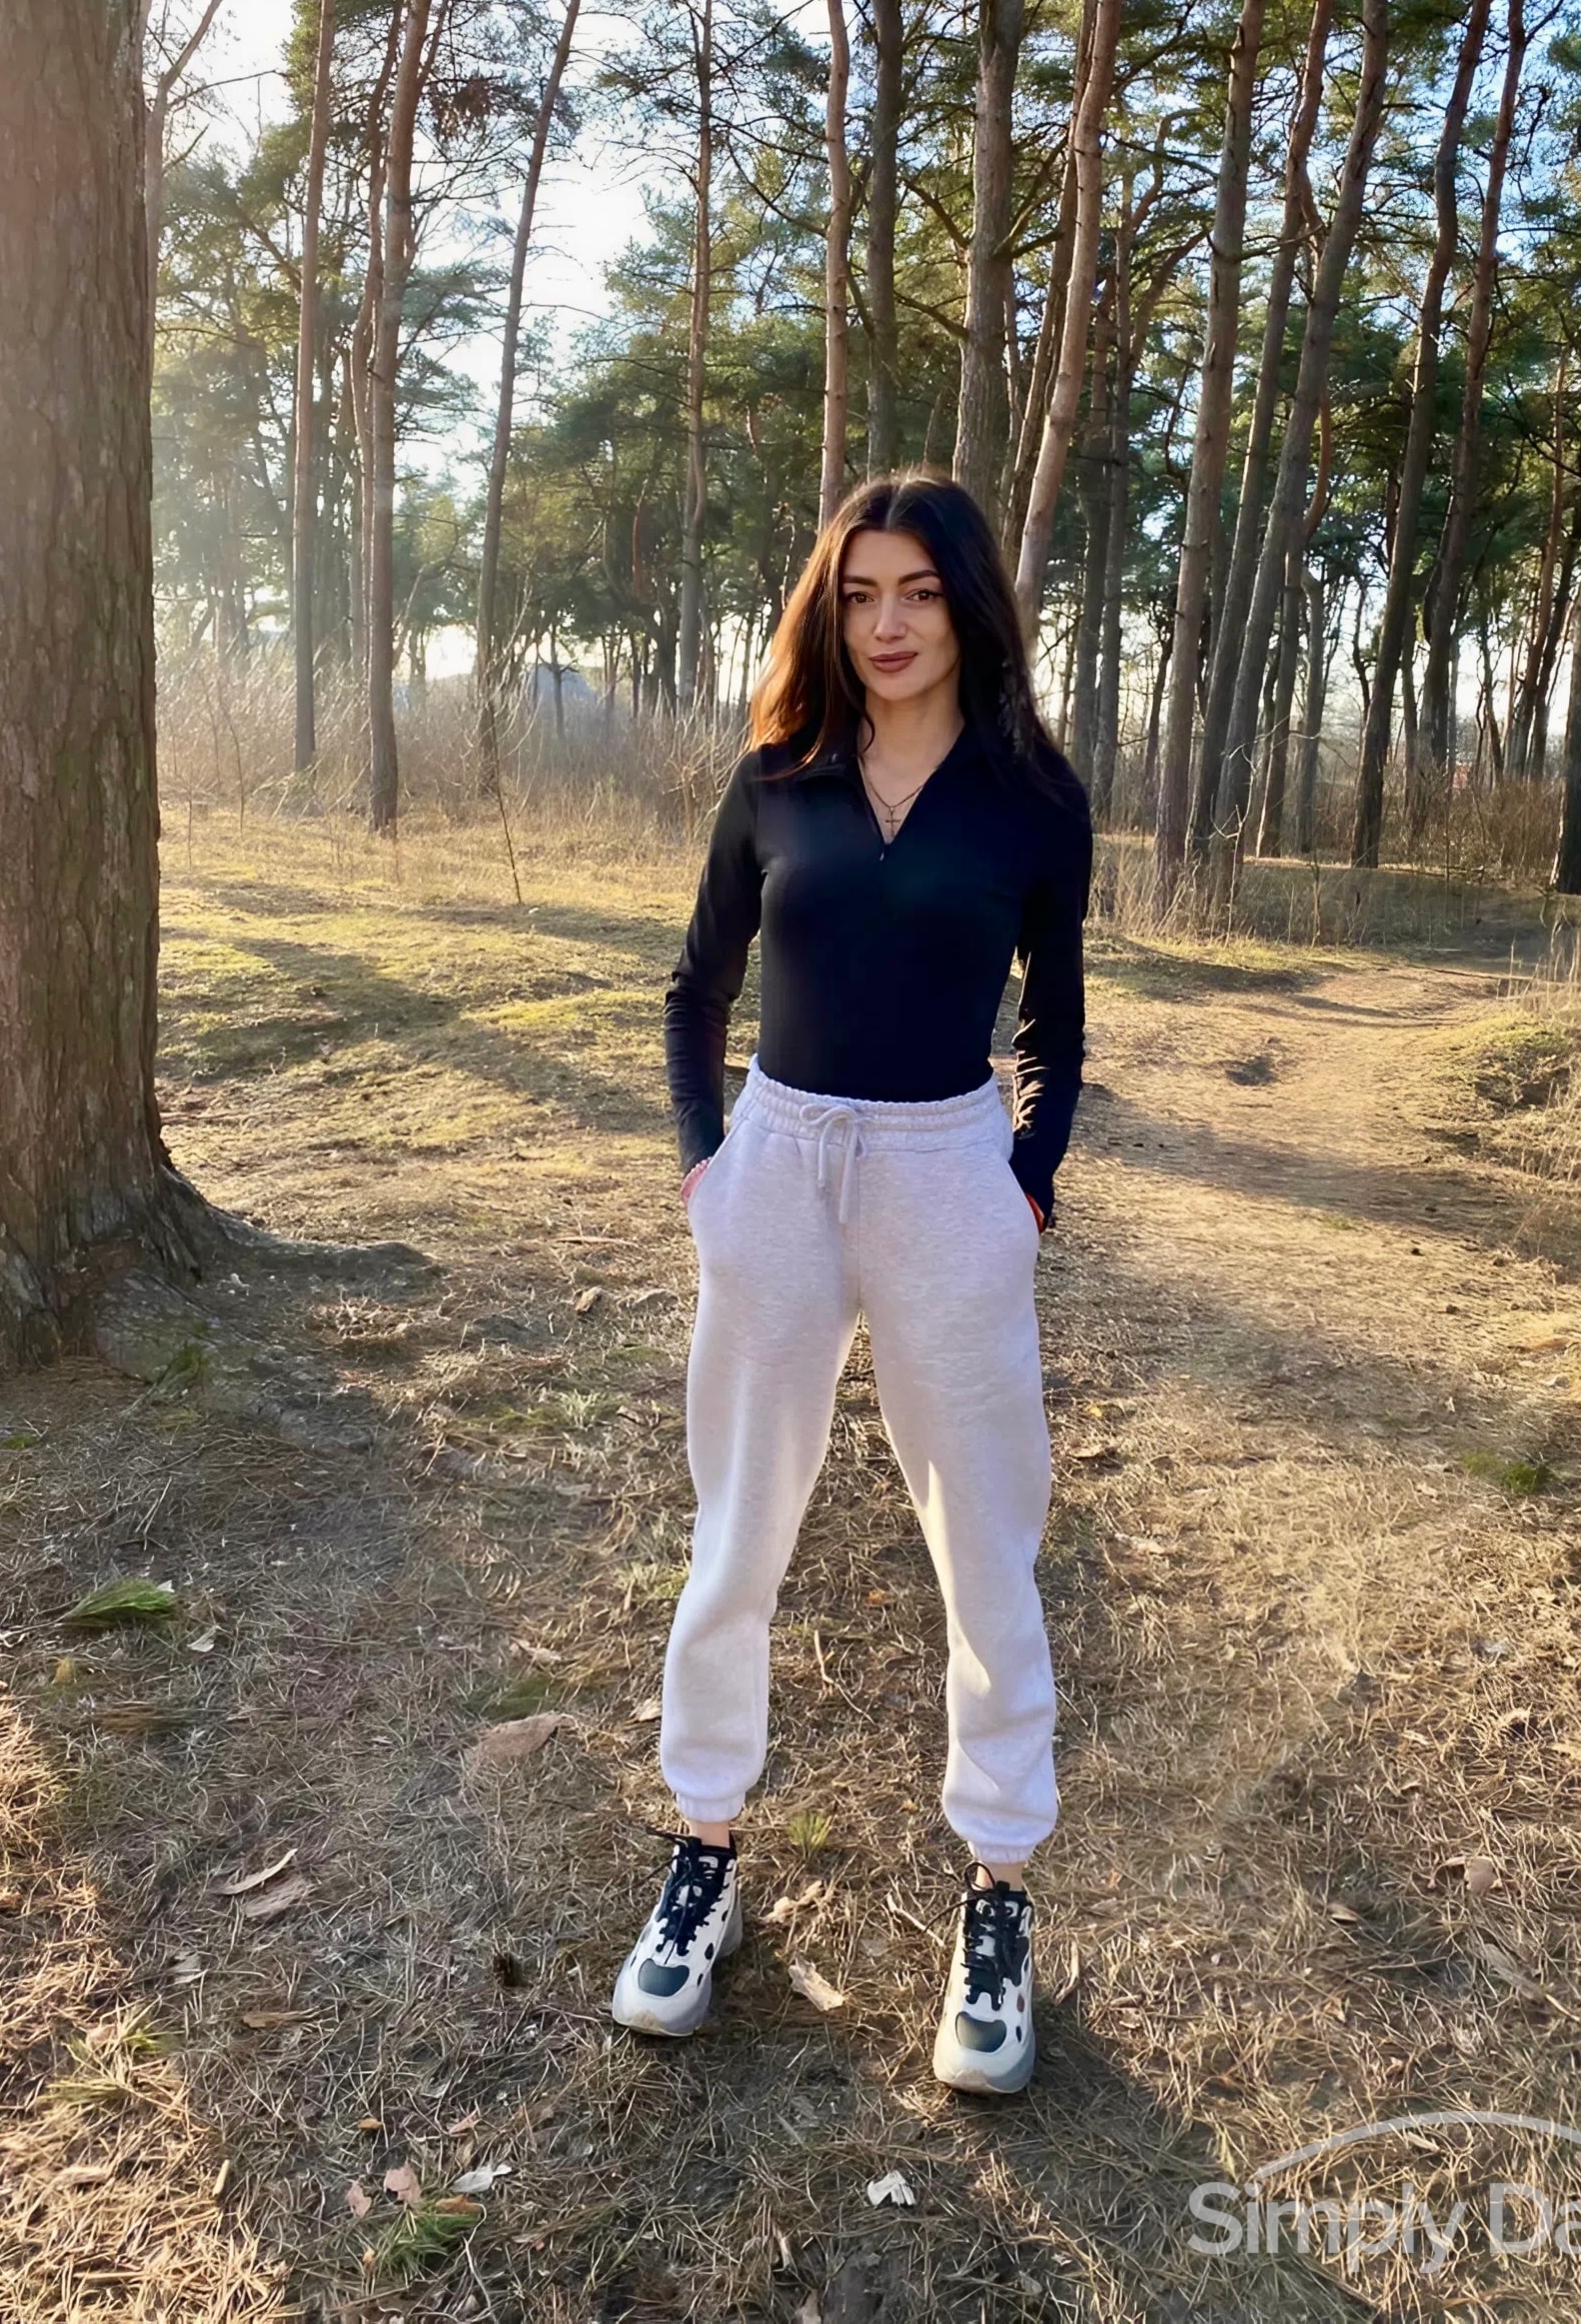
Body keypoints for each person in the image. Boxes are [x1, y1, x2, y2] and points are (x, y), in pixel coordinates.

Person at [611, 471, 1090, 2095]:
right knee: (738, 1526)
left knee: (987, 1538)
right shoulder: (777, 778)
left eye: (921, 593)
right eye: (861, 593)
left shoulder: (1032, 800)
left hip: (950, 1169)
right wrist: (708, 1163)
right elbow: (694, 989)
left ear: (970, 607)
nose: (888, 624)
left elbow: (1057, 1024)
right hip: (780, 1158)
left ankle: (999, 1889)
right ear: (830, 608)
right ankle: (703, 1852)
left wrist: (1023, 1184)